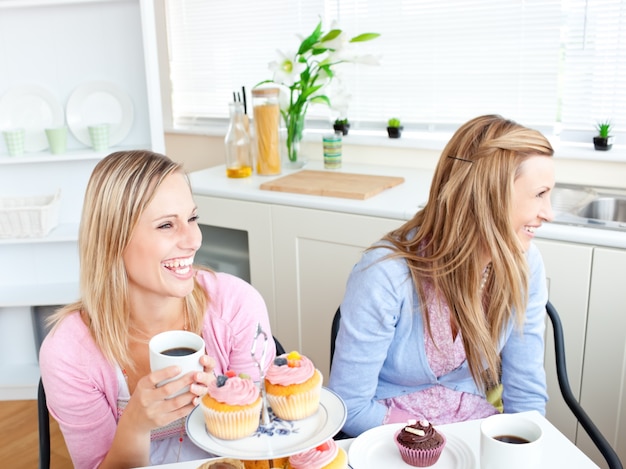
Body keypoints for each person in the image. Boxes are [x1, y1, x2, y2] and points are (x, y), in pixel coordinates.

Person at [39, 150, 276, 468]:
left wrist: (225, 400)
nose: (194, 240)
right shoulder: (69, 352)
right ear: (113, 240)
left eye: (192, 218)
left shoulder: (237, 307)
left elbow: (266, 441)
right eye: (167, 225)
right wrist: (136, 424)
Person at [328, 114, 555, 437]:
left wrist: (519, 448)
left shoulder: (525, 264)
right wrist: (436, 445)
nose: (549, 213)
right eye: (539, 194)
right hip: (389, 437)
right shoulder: (384, 274)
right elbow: (349, 406)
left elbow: (526, 394)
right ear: (489, 195)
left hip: (475, 429)